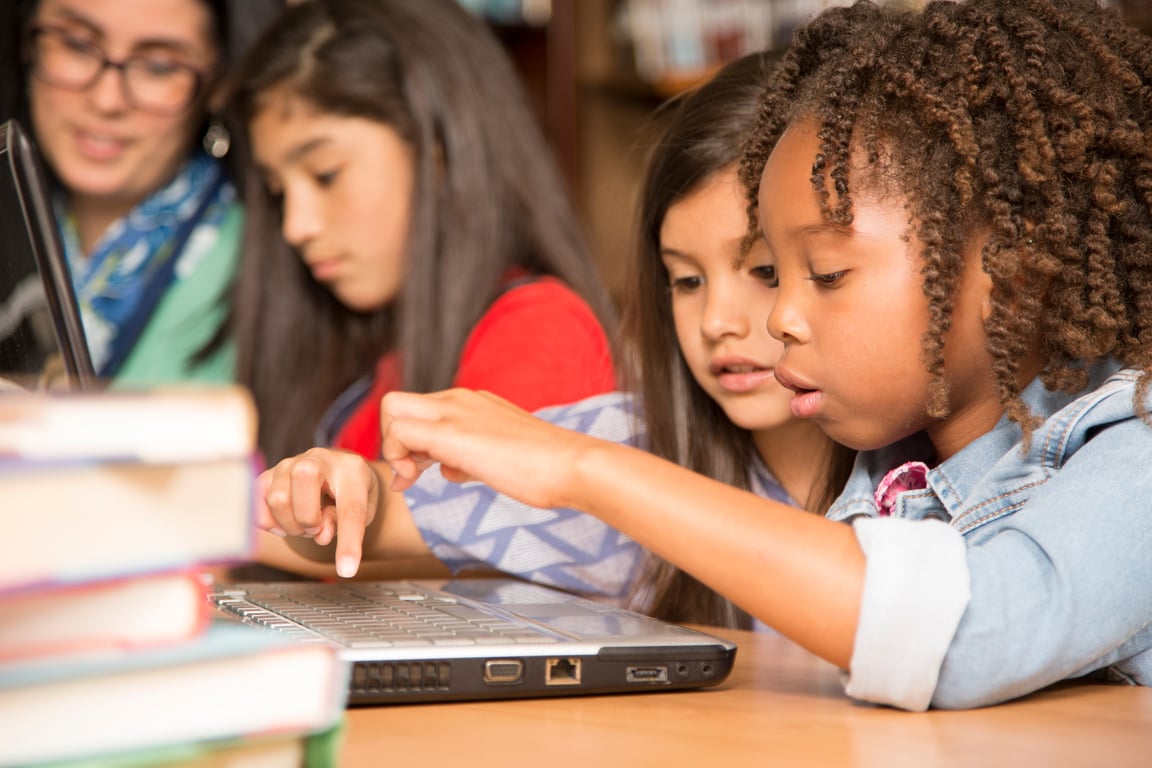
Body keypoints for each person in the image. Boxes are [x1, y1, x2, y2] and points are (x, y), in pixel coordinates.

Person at [274, 0, 1152, 712]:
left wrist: (583, 467)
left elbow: (963, 635)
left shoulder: (1134, 449)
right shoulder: (892, 465)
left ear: (1015, 264)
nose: (779, 321)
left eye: (823, 274)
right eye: (690, 279)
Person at [253, 50, 856, 629]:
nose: (716, 320)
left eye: (765, 272)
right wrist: (332, 491)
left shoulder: (929, 482)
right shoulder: (628, 441)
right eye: (686, 280)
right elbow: (375, 521)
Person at [226, 0, 617, 465]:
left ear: (439, 151)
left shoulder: (538, 330)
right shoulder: (370, 343)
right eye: (277, 193)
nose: (296, 227)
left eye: (326, 174)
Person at [0, 0, 283, 385]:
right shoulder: (14, 217)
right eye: (77, 44)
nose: (107, 100)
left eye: (159, 66)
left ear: (220, 82)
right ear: (26, 41)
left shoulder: (276, 261)